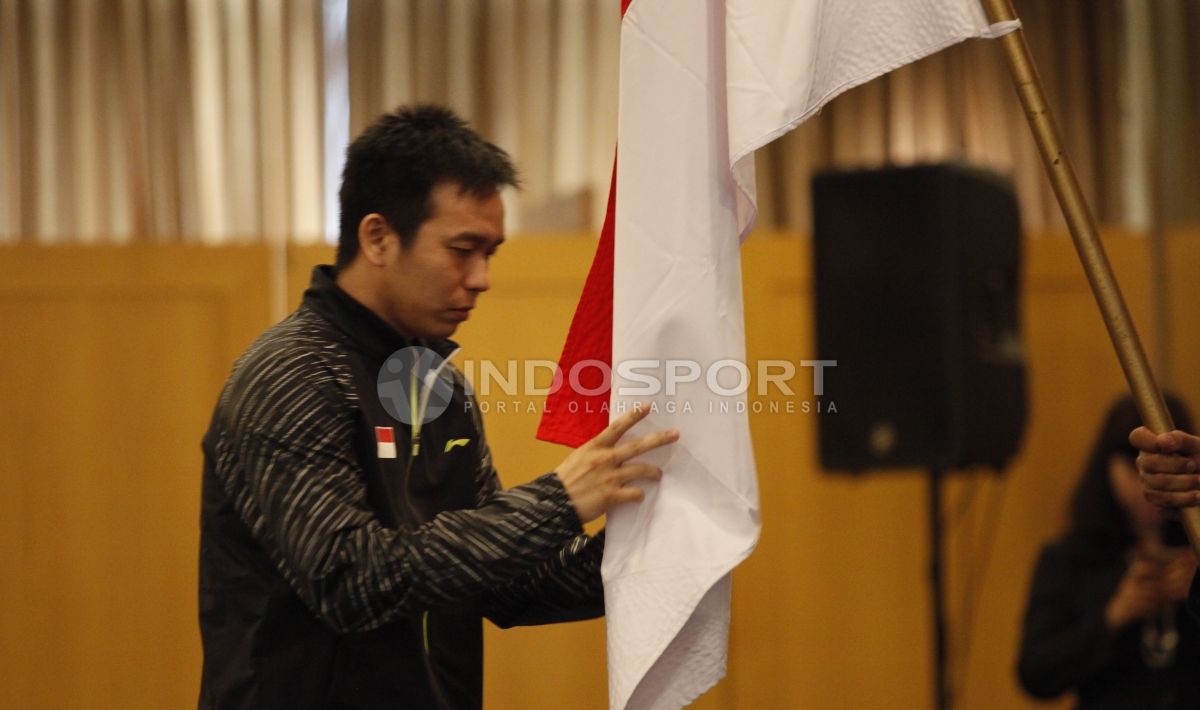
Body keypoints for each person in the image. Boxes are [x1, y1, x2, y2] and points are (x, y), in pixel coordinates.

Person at [198, 105, 677, 709]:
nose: (481, 278)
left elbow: (507, 583)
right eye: (462, 249)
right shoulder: (291, 373)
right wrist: (556, 501)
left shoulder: (433, 382)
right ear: (378, 237)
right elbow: (353, 580)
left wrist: (669, 548)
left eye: (491, 253)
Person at [1017, 395, 1200, 709]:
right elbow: (1036, 673)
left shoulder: (1195, 546)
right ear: (1107, 466)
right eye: (1132, 468)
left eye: (1171, 467)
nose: (1147, 479)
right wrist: (1114, 616)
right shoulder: (1070, 557)